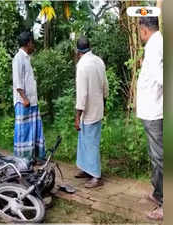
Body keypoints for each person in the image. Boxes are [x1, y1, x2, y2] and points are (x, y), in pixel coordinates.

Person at [137, 16, 163, 220]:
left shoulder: (154, 46)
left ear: (144, 29)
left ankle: (166, 203)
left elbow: (160, 77)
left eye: (139, 30)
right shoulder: (156, 44)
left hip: (155, 111)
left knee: (160, 157)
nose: (139, 34)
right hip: (152, 110)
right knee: (156, 155)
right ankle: (157, 193)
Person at [74, 36, 109, 188]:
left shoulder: (82, 65)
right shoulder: (98, 61)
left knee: (91, 143)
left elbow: (82, 93)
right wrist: (104, 103)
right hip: (97, 107)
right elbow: (105, 85)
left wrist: (77, 116)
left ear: (78, 51)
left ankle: (96, 176)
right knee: (85, 142)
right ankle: (87, 169)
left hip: (88, 111)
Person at [12, 31, 45, 163]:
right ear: (28, 43)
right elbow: (18, 81)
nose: (33, 45)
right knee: (24, 132)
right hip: (23, 102)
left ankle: (34, 157)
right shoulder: (18, 58)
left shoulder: (26, 58)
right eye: (32, 42)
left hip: (31, 101)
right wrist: (24, 98)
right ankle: (23, 160)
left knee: (33, 130)